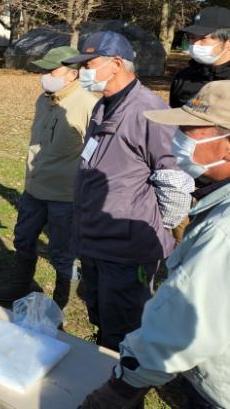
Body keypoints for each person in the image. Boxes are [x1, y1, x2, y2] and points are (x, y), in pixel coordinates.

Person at [79, 80, 230, 409]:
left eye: (191, 129)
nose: (178, 137)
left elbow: (184, 323)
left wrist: (121, 388)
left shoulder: (223, 231)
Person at [63, 31, 193, 352]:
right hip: (95, 242)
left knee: (124, 329)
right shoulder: (102, 106)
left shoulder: (151, 111)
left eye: (89, 64)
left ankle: (121, 391)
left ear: (117, 64)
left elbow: (175, 183)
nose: (84, 72)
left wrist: (151, 233)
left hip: (125, 251)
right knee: (101, 316)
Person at [0, 46, 97, 308]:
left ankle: (58, 305)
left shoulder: (89, 105)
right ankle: (19, 286)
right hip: (34, 189)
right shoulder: (43, 99)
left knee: (62, 254)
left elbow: (95, 155)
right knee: (23, 239)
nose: (45, 75)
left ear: (72, 74)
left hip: (65, 196)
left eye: (52, 70)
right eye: (44, 70)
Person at [169, 6, 230, 108]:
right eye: (192, 37)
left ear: (228, 42)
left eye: (202, 38)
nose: (195, 44)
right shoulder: (183, 78)